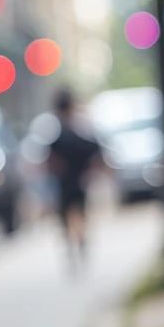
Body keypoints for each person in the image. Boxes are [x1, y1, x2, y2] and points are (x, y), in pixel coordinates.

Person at [44, 89, 103, 269]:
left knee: (70, 217)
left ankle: (75, 244)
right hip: (72, 182)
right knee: (76, 215)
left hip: (68, 183)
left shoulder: (60, 136)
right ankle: (78, 243)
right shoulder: (72, 134)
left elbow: (50, 162)